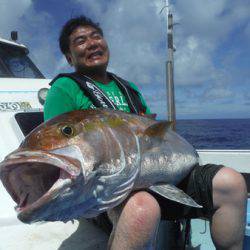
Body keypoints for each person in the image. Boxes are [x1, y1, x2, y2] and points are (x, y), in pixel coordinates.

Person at [44, 16, 247, 250]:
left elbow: (154, 135)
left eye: (96, 36)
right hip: (106, 191)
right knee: (143, 207)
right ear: (69, 57)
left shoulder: (128, 88)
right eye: (81, 41)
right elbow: (59, 150)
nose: (92, 43)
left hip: (153, 177)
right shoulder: (64, 89)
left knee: (231, 183)